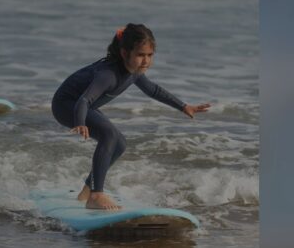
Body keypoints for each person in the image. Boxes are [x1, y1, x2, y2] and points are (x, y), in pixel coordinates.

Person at [52, 23, 211, 210]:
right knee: (109, 135)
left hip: (83, 106)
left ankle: (87, 191)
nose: (145, 61)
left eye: (150, 55)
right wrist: (80, 123)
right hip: (67, 105)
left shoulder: (134, 72)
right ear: (124, 53)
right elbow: (84, 100)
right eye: (140, 55)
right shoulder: (108, 74)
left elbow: (153, 90)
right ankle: (96, 195)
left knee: (119, 144)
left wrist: (184, 106)